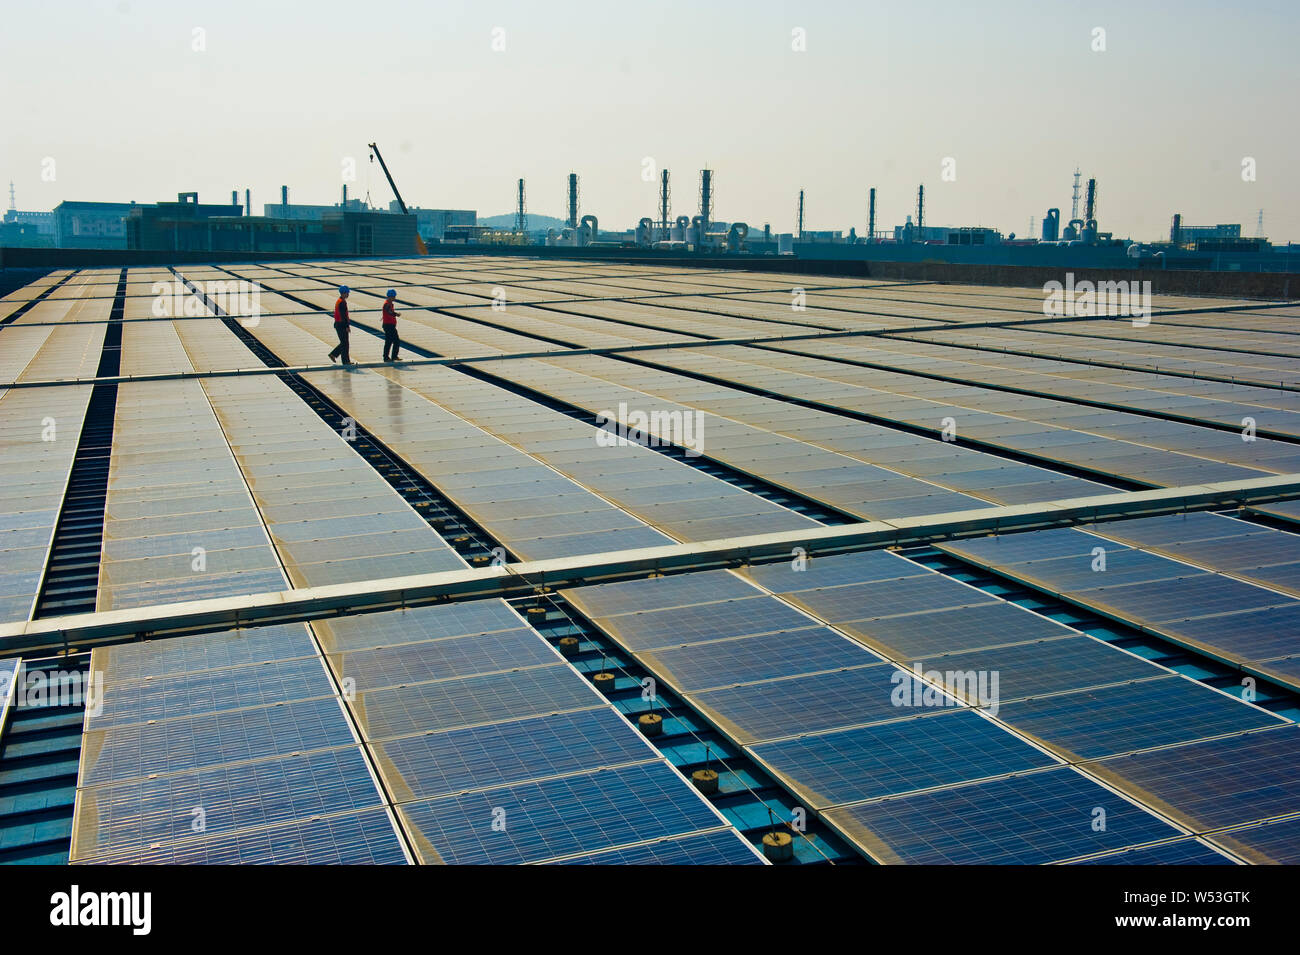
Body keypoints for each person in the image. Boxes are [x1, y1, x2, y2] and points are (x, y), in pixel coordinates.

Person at [328, 286, 351, 364]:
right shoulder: (342, 302)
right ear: (343, 293)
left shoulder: (340, 300)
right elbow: (343, 315)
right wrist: (347, 326)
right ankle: (345, 361)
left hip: (339, 324)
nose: (348, 294)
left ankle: (333, 354)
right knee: (345, 344)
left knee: (344, 343)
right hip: (341, 324)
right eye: (347, 293)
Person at [381, 289, 402, 362]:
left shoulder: (389, 304)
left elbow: (390, 312)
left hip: (390, 325)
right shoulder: (387, 304)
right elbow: (389, 312)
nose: (394, 298)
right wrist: (396, 314)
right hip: (388, 326)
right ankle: (387, 357)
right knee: (392, 341)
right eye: (393, 297)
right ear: (390, 297)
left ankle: (393, 356)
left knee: (393, 341)